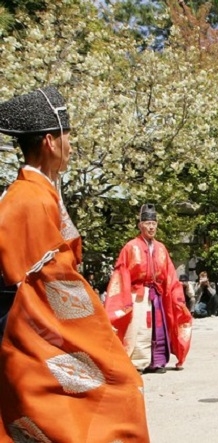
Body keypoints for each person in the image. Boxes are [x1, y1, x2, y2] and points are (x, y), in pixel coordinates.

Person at [0, 87, 149, 440]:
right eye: (68, 136)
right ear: (50, 141)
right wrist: (95, 328)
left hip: (35, 320)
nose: (71, 145)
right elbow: (52, 279)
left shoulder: (37, 191)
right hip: (27, 326)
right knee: (118, 387)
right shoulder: (29, 199)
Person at [105, 204, 192, 374]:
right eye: (147, 223)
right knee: (139, 327)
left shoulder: (161, 248)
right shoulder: (131, 247)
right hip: (137, 293)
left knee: (159, 328)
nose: (151, 227)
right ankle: (138, 362)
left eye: (154, 223)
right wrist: (124, 298)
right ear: (140, 225)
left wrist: (176, 295)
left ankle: (158, 361)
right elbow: (121, 273)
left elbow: (169, 274)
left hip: (157, 293)